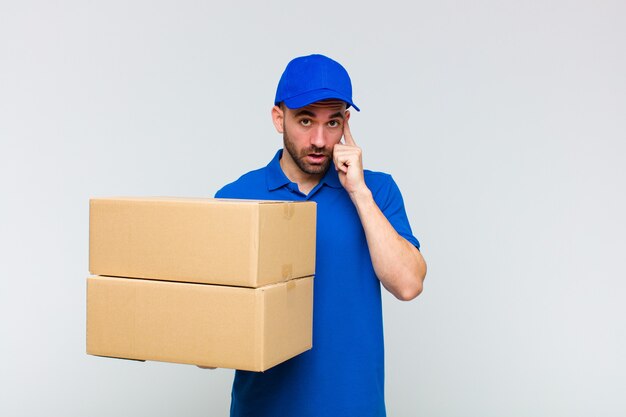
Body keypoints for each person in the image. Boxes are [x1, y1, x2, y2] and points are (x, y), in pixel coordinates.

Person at [215, 54, 427, 417]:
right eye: (305, 120)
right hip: (263, 409)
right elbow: (213, 323)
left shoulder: (378, 191)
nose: (318, 139)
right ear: (278, 118)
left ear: (346, 123)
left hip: (354, 407)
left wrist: (358, 192)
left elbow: (408, 284)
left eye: (332, 123)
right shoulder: (236, 198)